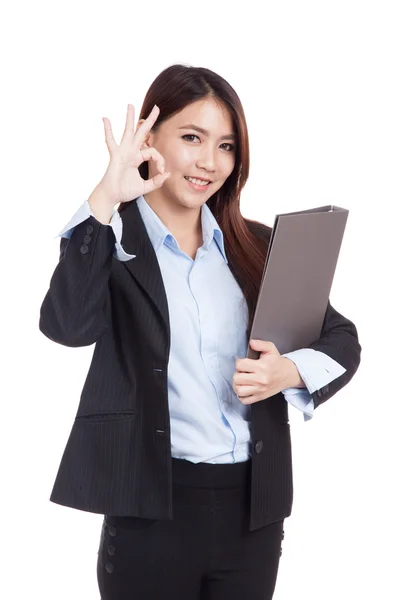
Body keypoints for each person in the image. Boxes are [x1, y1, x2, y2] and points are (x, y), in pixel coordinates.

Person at [39, 64, 362, 600]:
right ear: (150, 136)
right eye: (192, 138)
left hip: (252, 515)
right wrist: (105, 197)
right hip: (151, 513)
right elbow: (67, 325)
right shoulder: (113, 243)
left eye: (227, 146)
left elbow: (342, 338)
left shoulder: (256, 246)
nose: (210, 162)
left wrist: (289, 370)